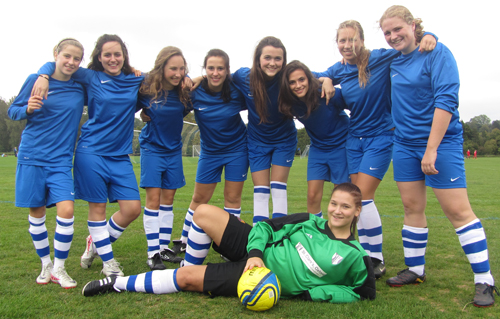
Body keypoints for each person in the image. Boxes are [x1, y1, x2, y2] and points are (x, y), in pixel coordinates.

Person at [82, 183, 376, 304]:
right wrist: (256, 253)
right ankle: (190, 263)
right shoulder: (307, 221)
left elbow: (362, 293)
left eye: (346, 207)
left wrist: (311, 294)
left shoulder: (355, 255)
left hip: (259, 279)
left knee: (184, 280)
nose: (338, 211)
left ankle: (116, 284)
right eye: (334, 203)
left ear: (357, 212)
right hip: (255, 252)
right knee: (204, 212)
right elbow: (264, 227)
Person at [379, 5, 497, 307]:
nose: (393, 36)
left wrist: (431, 148)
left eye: (397, 29)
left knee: (458, 211)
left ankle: (485, 281)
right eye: (387, 32)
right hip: (403, 144)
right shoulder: (392, 59)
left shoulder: (438, 52)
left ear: (412, 25)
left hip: (440, 143)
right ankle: (415, 270)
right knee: (411, 207)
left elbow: (446, 100)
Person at [314, 20, 437, 279]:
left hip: (381, 136)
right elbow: (314, 76)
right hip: (353, 140)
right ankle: (363, 253)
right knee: (359, 198)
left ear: (361, 40)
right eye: (342, 41)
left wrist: (429, 35)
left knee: (363, 196)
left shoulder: (379, 58)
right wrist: (325, 78)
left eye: (352, 39)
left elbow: (409, 46)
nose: (347, 46)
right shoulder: (339, 69)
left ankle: (376, 259)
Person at [32, 34, 145, 277]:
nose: (113, 59)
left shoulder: (135, 79)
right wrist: (42, 76)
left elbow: (166, 76)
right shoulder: (92, 77)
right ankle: (109, 264)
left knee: (133, 209)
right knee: (98, 209)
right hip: (90, 152)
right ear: (99, 58)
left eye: (117, 54)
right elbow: (60, 64)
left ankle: (94, 242)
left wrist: (191, 79)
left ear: (124, 56)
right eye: (107, 55)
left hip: (120, 156)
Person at [8, 38, 85, 288]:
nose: (71, 62)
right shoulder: (35, 79)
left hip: (61, 160)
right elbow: (13, 111)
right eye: (67, 56)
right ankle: (46, 264)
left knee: (67, 210)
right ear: (56, 54)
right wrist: (27, 109)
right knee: (37, 213)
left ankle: (59, 269)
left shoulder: (79, 87)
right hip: (32, 157)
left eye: (77, 58)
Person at [174, 49, 248, 262]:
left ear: (227, 70)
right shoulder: (194, 92)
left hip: (237, 150)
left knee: (232, 198)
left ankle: (231, 247)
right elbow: (173, 109)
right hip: (210, 153)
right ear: (205, 70)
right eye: (211, 68)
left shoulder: (236, 90)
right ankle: (184, 241)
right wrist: (146, 113)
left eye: (220, 68)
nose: (216, 73)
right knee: (199, 198)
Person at [137, 46, 192, 269]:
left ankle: (163, 249)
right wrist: (143, 114)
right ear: (162, 68)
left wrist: (188, 77)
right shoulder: (147, 89)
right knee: (153, 200)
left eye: (182, 69)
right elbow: (138, 109)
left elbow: (182, 112)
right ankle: (153, 254)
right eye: (173, 69)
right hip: (152, 150)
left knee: (168, 201)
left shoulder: (184, 93)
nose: (177, 73)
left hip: (173, 152)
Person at [232, 36, 297, 226]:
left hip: (284, 141)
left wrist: (326, 79)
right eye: (267, 57)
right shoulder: (244, 76)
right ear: (258, 59)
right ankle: (260, 237)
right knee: (260, 191)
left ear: (284, 60)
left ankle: (278, 238)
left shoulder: (288, 77)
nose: (272, 63)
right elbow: (219, 78)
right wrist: (195, 78)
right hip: (256, 142)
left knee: (278, 189)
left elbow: (316, 76)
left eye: (278, 58)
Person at [279, 60, 349, 218]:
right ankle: (317, 238)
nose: (298, 85)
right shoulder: (291, 102)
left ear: (309, 79)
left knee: (342, 198)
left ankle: (343, 238)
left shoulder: (326, 92)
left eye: (301, 80)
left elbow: (356, 106)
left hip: (342, 147)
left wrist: (327, 80)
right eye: (292, 82)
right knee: (312, 197)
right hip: (318, 148)